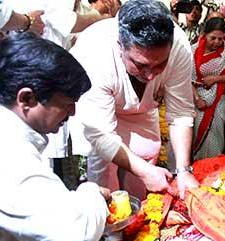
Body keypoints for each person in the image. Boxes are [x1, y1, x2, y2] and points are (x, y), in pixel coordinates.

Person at [0, 33, 118, 241]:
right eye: (67, 103)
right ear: (26, 98)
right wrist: (89, 192)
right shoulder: (9, 152)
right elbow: (72, 237)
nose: (73, 112)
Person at [70, 0, 199, 200]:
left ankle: (138, 224)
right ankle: (109, 229)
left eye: (160, 65)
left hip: (143, 111)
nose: (149, 76)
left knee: (146, 163)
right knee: (103, 173)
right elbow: (101, 134)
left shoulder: (179, 46)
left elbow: (180, 113)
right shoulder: (94, 51)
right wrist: (145, 171)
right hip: (100, 116)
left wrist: (183, 170)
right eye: (140, 65)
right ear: (120, 46)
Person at [191, 17, 225, 160]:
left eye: (220, 39)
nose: (217, 42)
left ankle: (214, 166)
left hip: (219, 99)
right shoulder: (193, 50)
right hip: (197, 98)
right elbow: (189, 80)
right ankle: (198, 167)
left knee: (216, 133)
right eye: (213, 38)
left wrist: (215, 79)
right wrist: (197, 99)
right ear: (205, 34)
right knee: (196, 133)